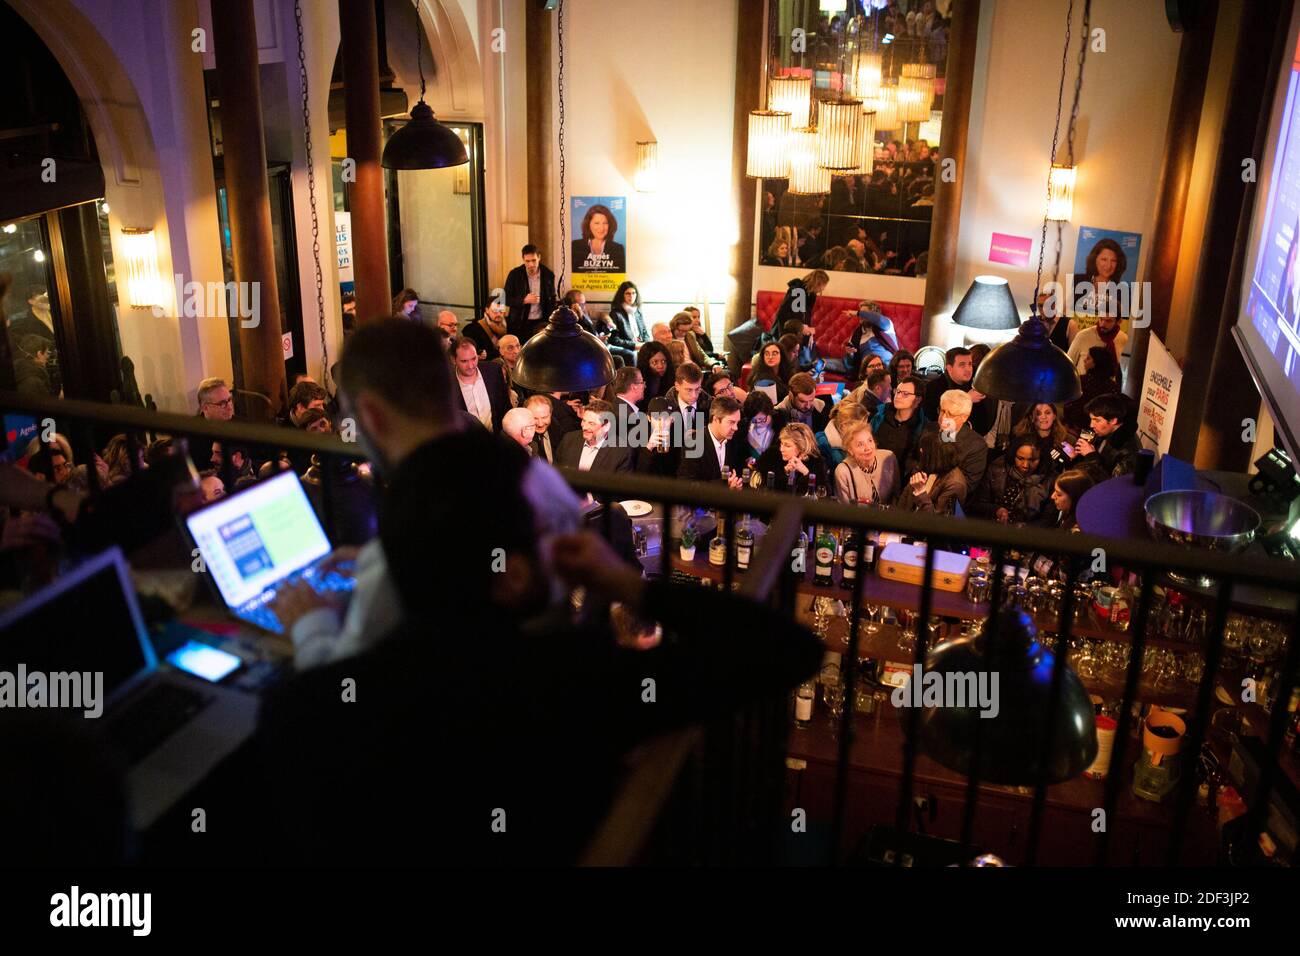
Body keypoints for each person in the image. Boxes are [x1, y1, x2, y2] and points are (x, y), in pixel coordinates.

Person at [254, 425, 821, 865]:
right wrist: (628, 584)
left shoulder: (301, 707)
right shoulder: (577, 679)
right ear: (513, 575)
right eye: (547, 539)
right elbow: (786, 648)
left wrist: (315, 628)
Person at [266, 318, 463, 672]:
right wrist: (374, 558)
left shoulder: (412, 534)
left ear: (369, 414)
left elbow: (335, 684)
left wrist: (308, 621)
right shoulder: (534, 478)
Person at [899, 390, 988, 514]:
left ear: (964, 417)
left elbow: (967, 486)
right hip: (912, 498)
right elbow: (912, 457)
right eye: (942, 410)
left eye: (950, 414)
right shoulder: (930, 428)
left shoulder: (976, 445)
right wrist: (918, 474)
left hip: (942, 506)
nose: (943, 417)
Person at [969, 438, 1049, 525]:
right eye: (1020, 458)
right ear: (1013, 455)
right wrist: (997, 510)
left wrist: (1029, 527)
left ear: (1041, 458)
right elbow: (977, 503)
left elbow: (1048, 519)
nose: (1025, 465)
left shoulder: (1049, 480)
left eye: (1032, 460)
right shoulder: (998, 468)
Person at [1068, 393, 1140, 481]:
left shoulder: (1128, 451)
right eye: (1091, 419)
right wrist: (1076, 458)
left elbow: (1112, 485)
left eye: (1097, 420)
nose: (1091, 425)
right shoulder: (1103, 434)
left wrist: (1091, 456)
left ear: (1113, 420)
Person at [923, 346, 993, 435]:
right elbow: (936, 421)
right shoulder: (934, 387)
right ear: (949, 368)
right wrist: (966, 399)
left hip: (972, 440)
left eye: (970, 364)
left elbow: (983, 421)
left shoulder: (975, 385)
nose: (968, 369)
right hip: (946, 441)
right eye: (962, 365)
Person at [678, 396, 746, 485]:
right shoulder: (694, 444)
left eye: (737, 423)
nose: (736, 428)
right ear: (716, 419)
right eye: (731, 422)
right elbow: (687, 484)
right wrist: (725, 486)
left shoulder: (734, 441)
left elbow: (739, 473)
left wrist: (738, 484)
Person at [451, 335, 511, 433]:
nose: (471, 365)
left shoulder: (493, 371)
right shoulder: (448, 384)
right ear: (454, 360)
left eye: (474, 358)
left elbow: (505, 407)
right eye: (464, 361)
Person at [834, 420, 900, 506]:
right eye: (860, 444)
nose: (868, 448)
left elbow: (897, 494)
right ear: (850, 450)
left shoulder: (889, 458)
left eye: (870, 441)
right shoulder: (843, 471)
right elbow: (844, 508)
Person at [557, 399, 632, 473]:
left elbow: (618, 484)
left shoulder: (621, 451)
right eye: (584, 421)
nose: (584, 427)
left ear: (606, 426)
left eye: (591, 423)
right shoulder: (569, 440)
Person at [754, 422, 828, 495]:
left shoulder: (816, 462)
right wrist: (785, 471)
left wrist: (806, 473)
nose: (781, 449)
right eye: (781, 444)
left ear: (802, 447)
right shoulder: (772, 456)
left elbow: (824, 494)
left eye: (787, 446)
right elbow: (765, 488)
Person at [504, 244, 558, 341]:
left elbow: (552, 300)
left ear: (539, 258)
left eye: (534, 260)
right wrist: (523, 300)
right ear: (523, 259)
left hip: (541, 322)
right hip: (520, 323)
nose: (531, 265)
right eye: (527, 261)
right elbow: (505, 299)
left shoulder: (548, 274)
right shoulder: (515, 274)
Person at [871, 374, 927, 466]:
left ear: (918, 399)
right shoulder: (880, 416)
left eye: (905, 394)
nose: (898, 396)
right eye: (897, 391)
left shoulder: (922, 427)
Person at [1063, 345, 1121, 431]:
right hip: (1101, 429)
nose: (1084, 360)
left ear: (1096, 363)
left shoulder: (1081, 381)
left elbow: (1069, 406)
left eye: (1088, 358)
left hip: (1077, 428)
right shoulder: (1113, 386)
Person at [843, 303, 900, 380]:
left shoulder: (886, 326)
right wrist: (850, 354)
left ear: (874, 314)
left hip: (886, 368)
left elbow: (878, 319)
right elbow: (851, 363)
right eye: (861, 312)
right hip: (867, 370)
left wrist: (856, 312)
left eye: (865, 313)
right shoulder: (856, 334)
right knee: (827, 362)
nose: (861, 316)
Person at [1012, 402, 1070, 477]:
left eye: (1048, 413)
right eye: (1038, 413)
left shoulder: (1066, 440)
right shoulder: (1020, 439)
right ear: (1031, 417)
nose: (1043, 417)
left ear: (1054, 416)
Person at [1066, 312, 1128, 378]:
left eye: (1108, 321)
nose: (1103, 324)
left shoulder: (1122, 338)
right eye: (1101, 319)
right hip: (1083, 384)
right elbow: (1068, 363)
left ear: (1118, 322)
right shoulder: (1084, 335)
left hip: (1108, 385)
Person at [571, 203, 626, 272]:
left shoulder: (618, 249)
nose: (601, 228)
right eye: (597, 223)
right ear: (588, 224)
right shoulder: (575, 246)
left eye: (605, 223)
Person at [608, 280, 649, 352]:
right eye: (628, 293)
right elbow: (614, 339)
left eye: (633, 293)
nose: (631, 296)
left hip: (641, 346)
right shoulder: (615, 313)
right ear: (622, 295)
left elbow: (644, 332)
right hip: (628, 348)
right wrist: (634, 346)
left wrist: (646, 344)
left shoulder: (638, 311)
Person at [635, 341, 675, 406]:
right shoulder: (637, 382)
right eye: (654, 362)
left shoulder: (673, 377)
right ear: (646, 363)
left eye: (663, 361)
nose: (661, 366)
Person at [741, 391, 776, 461]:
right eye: (754, 420)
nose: (758, 424)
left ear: (770, 412)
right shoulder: (742, 427)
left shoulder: (780, 423)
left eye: (762, 419)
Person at [492, 334, 524, 404]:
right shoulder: (498, 370)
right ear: (501, 351)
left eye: (518, 346)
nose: (516, 351)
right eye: (510, 348)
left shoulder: (526, 367)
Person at [527, 394, 558, 463]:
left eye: (544, 417)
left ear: (551, 414)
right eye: (535, 418)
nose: (540, 424)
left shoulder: (560, 432)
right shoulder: (522, 439)